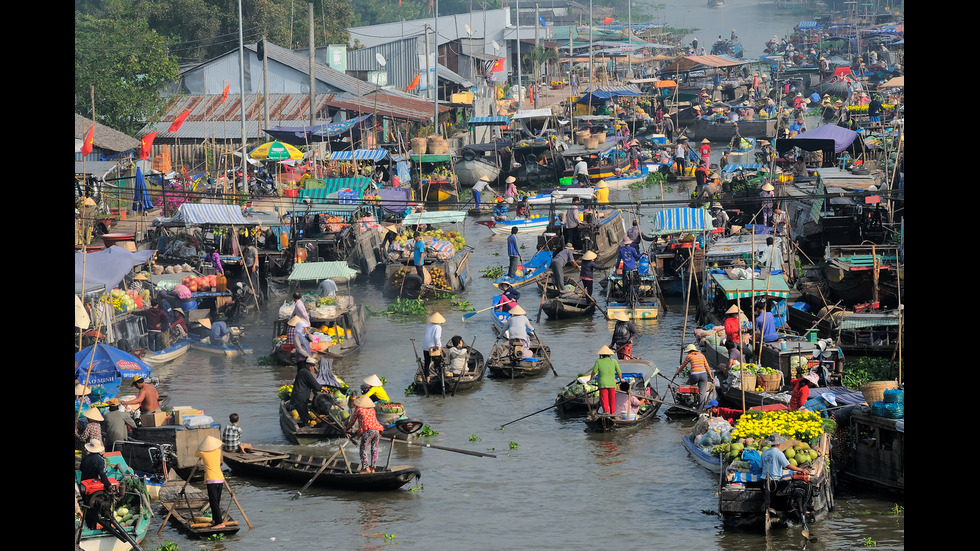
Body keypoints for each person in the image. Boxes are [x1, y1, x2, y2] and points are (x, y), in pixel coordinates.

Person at [346, 395, 385, 473]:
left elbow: (352, 421)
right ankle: (373, 469)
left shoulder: (358, 409)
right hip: (376, 430)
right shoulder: (372, 409)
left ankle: (366, 469)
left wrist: (346, 429)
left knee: (362, 449)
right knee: (374, 449)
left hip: (369, 431)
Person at [196, 435, 228, 529]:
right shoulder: (218, 451)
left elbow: (196, 454)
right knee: (216, 502)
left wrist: (201, 448)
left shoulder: (203, 453)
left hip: (211, 480)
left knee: (213, 502)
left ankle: (220, 523)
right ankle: (215, 521)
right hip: (220, 479)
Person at [675, 343, 713, 407]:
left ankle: (688, 401)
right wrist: (711, 377)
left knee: (687, 387)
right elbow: (707, 367)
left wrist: (677, 372)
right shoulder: (702, 355)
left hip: (694, 375)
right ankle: (700, 409)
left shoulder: (689, 356)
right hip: (703, 375)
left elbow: (683, 366)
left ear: (690, 351)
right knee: (702, 393)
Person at [590, 345, 622, 415]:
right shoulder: (614, 361)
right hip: (612, 384)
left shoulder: (598, 361)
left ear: (601, 355)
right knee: (612, 400)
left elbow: (594, 372)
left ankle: (606, 413)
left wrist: (590, 380)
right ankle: (612, 413)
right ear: (609, 355)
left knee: (604, 400)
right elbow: (619, 371)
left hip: (602, 384)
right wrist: (621, 379)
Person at [290, 357, 320, 426]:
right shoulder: (306, 373)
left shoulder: (302, 371)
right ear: (307, 365)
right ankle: (306, 427)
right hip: (300, 398)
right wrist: (322, 388)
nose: (312, 367)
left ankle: (305, 423)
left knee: (304, 414)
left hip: (300, 397)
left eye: (313, 366)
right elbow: (314, 384)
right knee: (304, 415)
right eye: (311, 366)